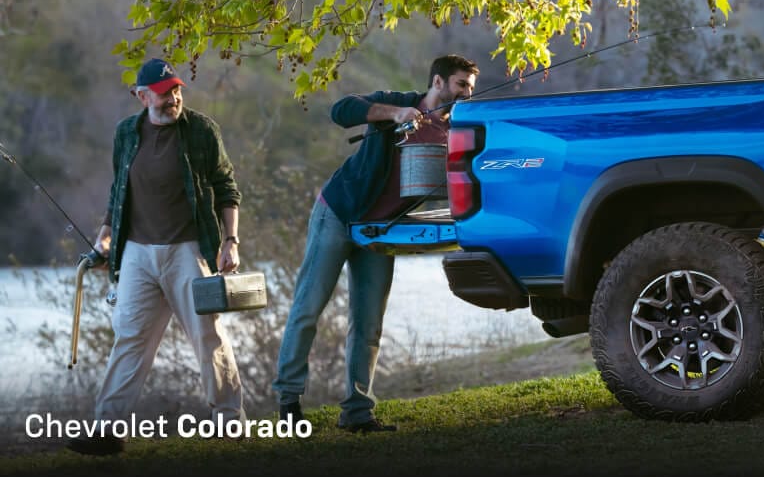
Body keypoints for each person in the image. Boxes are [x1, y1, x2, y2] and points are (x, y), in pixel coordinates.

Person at [273, 53, 479, 432]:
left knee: (369, 321)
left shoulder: (457, 129)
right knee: (308, 308)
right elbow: (341, 110)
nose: (467, 93)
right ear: (438, 82)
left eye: (471, 87)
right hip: (339, 214)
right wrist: (394, 115)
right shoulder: (398, 103)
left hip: (381, 230)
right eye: (461, 85)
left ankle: (357, 412)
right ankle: (288, 401)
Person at [70, 58, 245, 455]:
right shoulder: (126, 133)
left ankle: (229, 420)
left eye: (177, 90)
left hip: (189, 250)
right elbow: (119, 191)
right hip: (136, 253)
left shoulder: (201, 130)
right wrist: (104, 241)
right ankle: (108, 430)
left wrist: (231, 241)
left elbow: (226, 186)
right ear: (142, 96)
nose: (174, 98)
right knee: (129, 337)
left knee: (207, 335)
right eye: (165, 93)